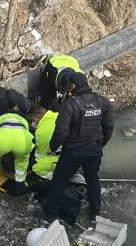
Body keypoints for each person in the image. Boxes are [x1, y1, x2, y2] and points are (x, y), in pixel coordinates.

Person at [43, 72, 114, 223]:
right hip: (94, 149)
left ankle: (50, 215)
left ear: (73, 85)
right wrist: (102, 144)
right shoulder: (102, 102)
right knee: (93, 179)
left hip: (73, 151)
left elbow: (61, 131)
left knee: (60, 180)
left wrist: (53, 147)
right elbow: (109, 127)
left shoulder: (71, 103)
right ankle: (95, 212)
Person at [0, 112, 34, 197]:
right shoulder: (24, 120)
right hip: (22, 140)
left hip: (1, 138)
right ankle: (19, 187)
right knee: (22, 162)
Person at [28, 104, 59, 185]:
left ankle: (55, 179)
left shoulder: (41, 132)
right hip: (77, 153)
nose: (33, 122)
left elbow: (39, 155)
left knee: (35, 165)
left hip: (65, 159)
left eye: (33, 119)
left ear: (37, 115)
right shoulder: (57, 114)